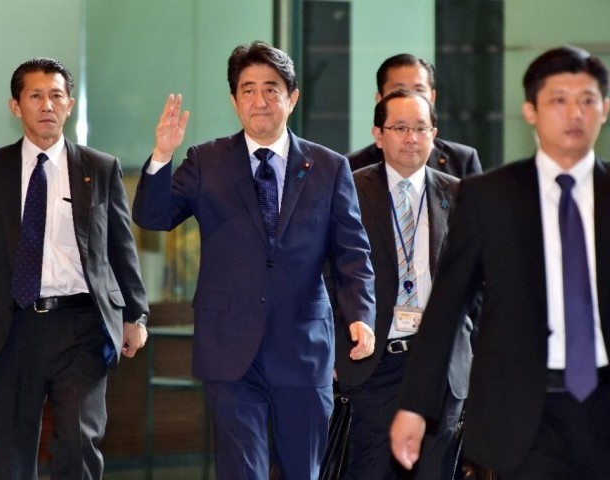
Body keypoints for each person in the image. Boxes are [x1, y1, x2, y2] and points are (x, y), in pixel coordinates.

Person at [132, 41, 376, 480]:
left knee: (304, 470)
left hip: (303, 348)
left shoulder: (328, 166)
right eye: (247, 90)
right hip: (228, 348)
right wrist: (162, 156)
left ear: (292, 97)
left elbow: (351, 253)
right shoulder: (206, 161)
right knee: (242, 471)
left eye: (271, 88)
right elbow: (153, 216)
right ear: (233, 100)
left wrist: (360, 314)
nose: (259, 100)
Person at [390, 45, 610, 479]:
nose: (575, 114)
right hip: (526, 414)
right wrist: (415, 405)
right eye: (558, 100)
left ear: (604, 108)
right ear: (531, 110)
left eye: (587, 100)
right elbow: (447, 307)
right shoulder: (488, 198)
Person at [0, 58, 149, 479]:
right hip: (10, 328)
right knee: (13, 452)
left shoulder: (99, 168)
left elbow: (120, 248)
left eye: (56, 95)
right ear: (16, 106)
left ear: (69, 104)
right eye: (35, 95)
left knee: (79, 442)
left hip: (80, 326)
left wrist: (135, 314)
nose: (47, 104)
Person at [334, 90, 473, 480]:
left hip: (441, 368)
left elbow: (477, 287)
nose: (411, 137)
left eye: (420, 128)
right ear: (378, 134)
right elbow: (330, 274)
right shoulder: (349, 188)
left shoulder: (460, 195)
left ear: (434, 134)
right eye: (399, 128)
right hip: (376, 362)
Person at [347, 53, 482, 178]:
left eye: (419, 90)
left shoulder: (462, 161)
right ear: (379, 99)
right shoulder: (350, 167)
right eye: (399, 91)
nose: (409, 99)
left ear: (433, 97)